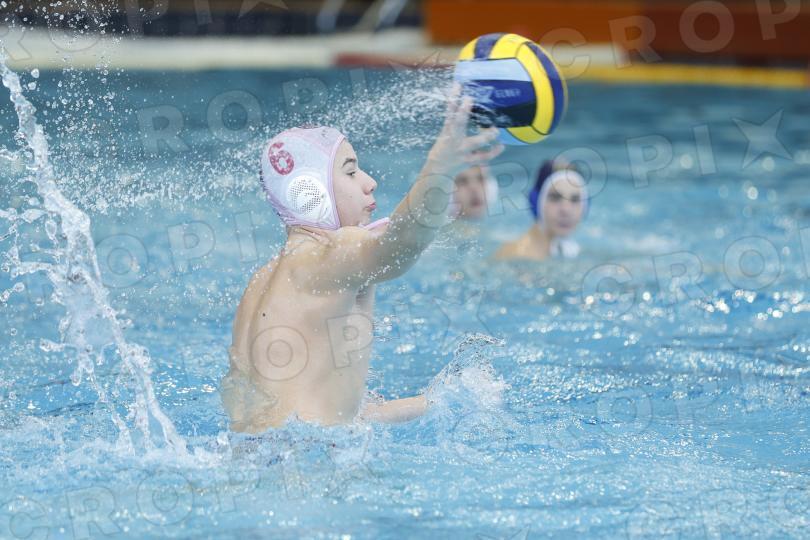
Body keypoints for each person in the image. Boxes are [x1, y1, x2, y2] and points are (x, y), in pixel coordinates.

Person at [221, 91, 503, 433]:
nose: (370, 182)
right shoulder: (332, 252)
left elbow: (317, 414)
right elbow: (400, 246)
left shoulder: (262, 282)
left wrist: (436, 402)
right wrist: (441, 164)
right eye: (351, 172)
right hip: (305, 461)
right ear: (310, 192)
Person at [494, 159, 588, 261]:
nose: (566, 210)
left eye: (575, 200)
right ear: (536, 202)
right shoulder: (517, 257)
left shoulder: (568, 248)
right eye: (555, 198)